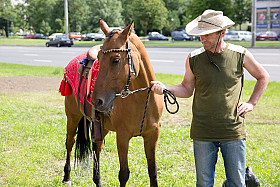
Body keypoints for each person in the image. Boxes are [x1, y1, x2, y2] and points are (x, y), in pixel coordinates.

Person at [151, 10, 270, 187]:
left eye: (207, 34)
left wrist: (252, 103)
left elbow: (263, 76)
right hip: (203, 131)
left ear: (222, 32)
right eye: (200, 35)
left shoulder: (240, 54)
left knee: (237, 183)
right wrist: (165, 88)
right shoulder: (193, 58)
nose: (202, 39)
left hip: (233, 130)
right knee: (204, 183)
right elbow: (186, 88)